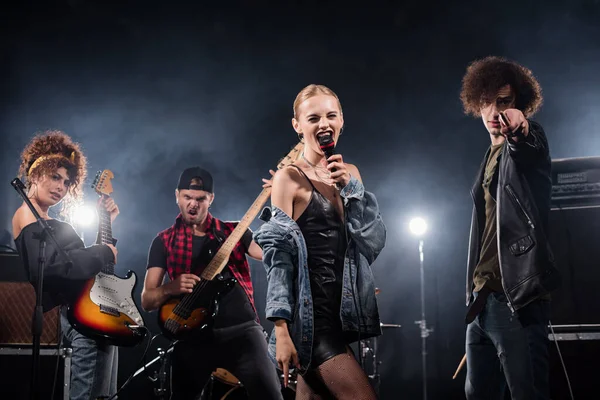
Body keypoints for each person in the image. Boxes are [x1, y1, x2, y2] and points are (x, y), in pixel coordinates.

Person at [253, 84, 386, 399]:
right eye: (313, 118)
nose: (324, 124)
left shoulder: (350, 173)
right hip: (310, 324)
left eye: (331, 115)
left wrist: (352, 190)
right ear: (298, 126)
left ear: (341, 121)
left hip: (341, 318)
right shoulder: (289, 178)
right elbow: (278, 259)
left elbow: (373, 243)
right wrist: (282, 330)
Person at [460, 56, 561, 400]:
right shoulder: (488, 157)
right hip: (481, 300)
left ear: (518, 104)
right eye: (487, 102)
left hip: (516, 298)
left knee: (527, 394)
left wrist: (521, 127)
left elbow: (529, 144)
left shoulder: (527, 144)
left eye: (504, 102)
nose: (495, 111)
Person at [141, 166, 283, 400]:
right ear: (177, 196)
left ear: (211, 199)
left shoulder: (234, 232)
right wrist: (171, 287)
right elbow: (147, 301)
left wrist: (282, 196)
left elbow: (271, 253)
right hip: (192, 338)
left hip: (243, 333)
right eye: (187, 197)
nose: (193, 204)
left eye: (200, 199)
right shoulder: (163, 241)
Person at [12, 130, 120, 400]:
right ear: (35, 175)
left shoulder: (44, 218)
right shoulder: (27, 214)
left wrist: (105, 225)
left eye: (67, 181)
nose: (61, 187)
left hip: (93, 313)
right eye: (55, 177)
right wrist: (102, 251)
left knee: (103, 395)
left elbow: (83, 265)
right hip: (81, 318)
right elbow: (55, 266)